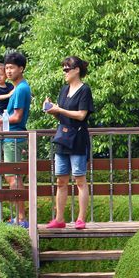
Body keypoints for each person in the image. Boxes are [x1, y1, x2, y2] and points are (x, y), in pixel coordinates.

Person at [43, 56, 95, 230]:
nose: (64, 72)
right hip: (63, 138)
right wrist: (53, 110)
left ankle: (81, 218)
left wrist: (60, 109)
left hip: (78, 138)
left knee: (80, 179)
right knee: (61, 180)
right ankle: (59, 219)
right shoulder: (63, 90)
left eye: (67, 69)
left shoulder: (84, 90)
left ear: (76, 70)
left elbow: (81, 115)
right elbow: (62, 115)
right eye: (63, 69)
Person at [0, 51, 31, 227]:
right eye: (6, 68)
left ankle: (21, 219)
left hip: (14, 137)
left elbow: (17, 117)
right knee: (12, 176)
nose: (8, 71)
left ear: (21, 68)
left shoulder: (21, 89)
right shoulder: (17, 88)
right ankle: (19, 217)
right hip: (11, 137)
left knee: (13, 176)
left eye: (11, 68)